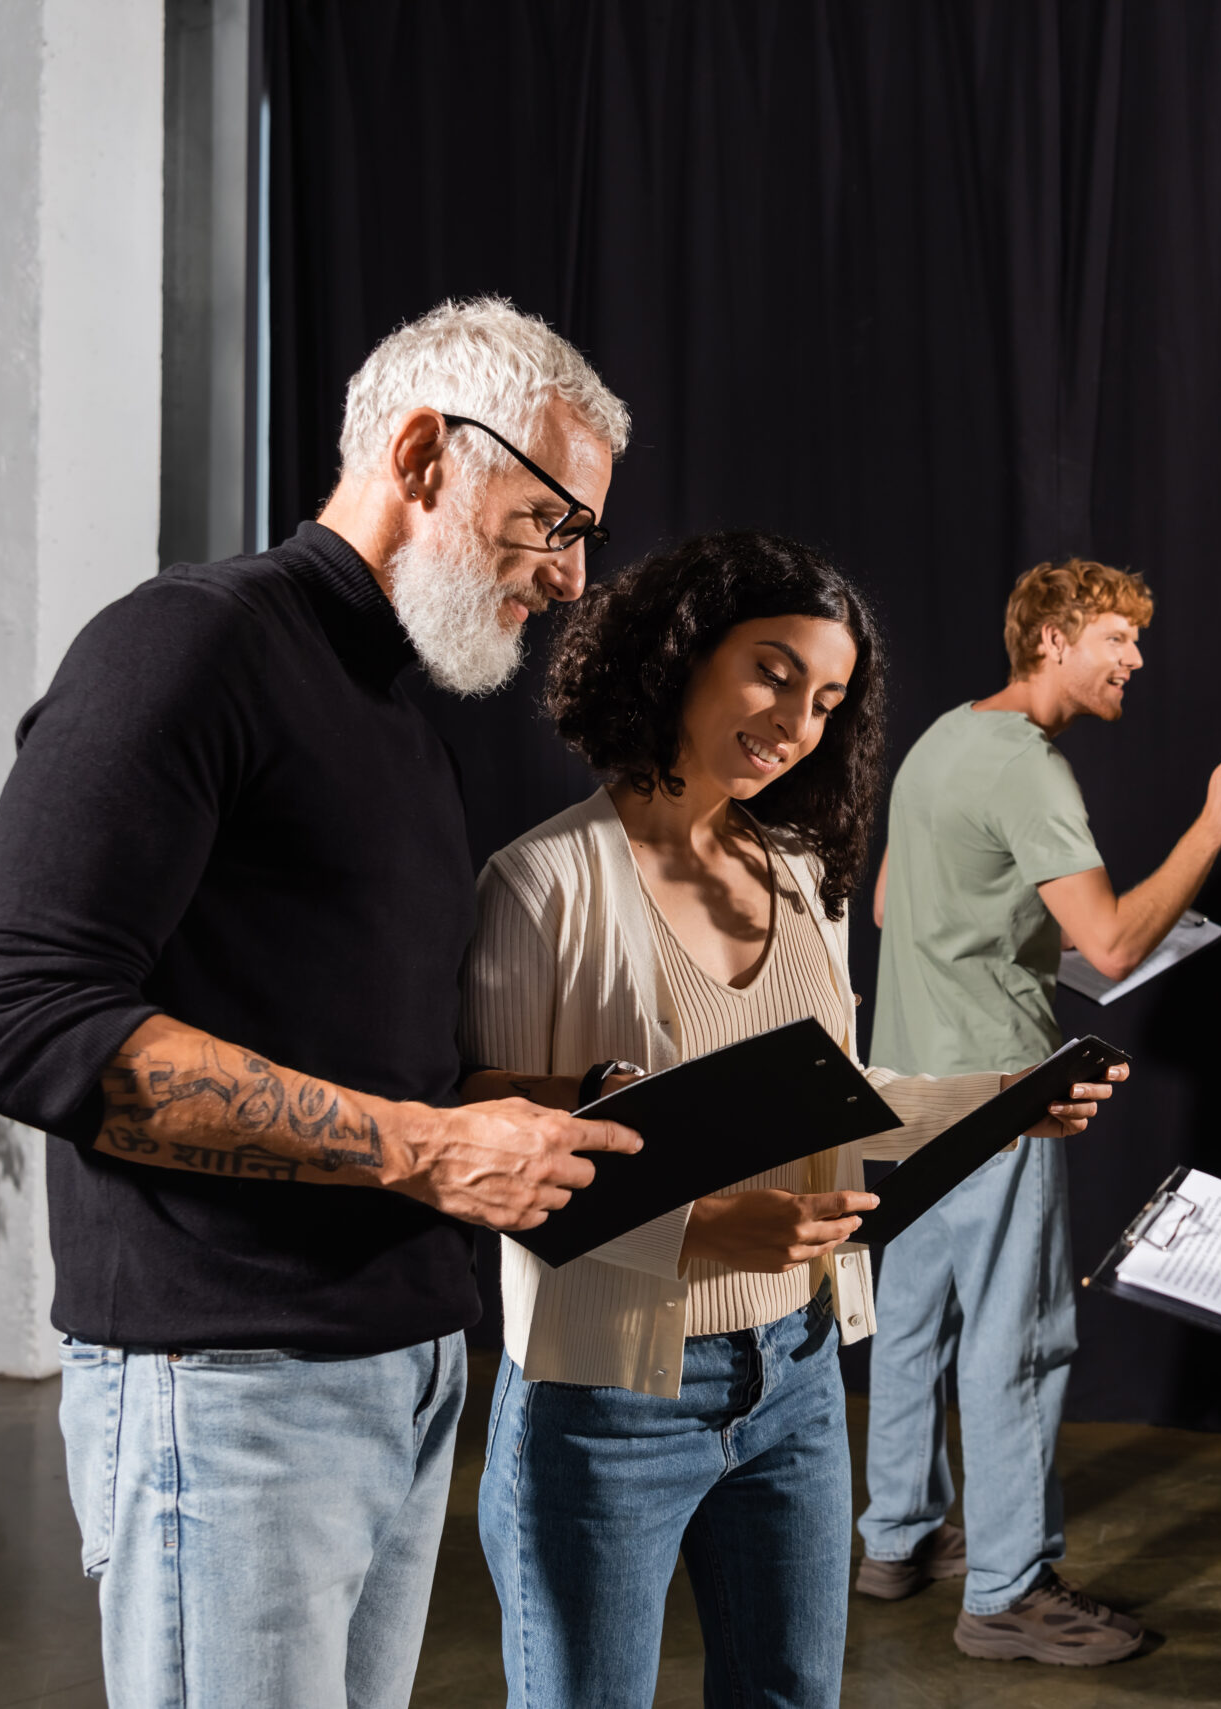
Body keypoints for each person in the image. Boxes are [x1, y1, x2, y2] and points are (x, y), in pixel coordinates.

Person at [0, 299, 643, 1708]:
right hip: (229, 1384)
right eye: (552, 518)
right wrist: (433, 1150)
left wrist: (516, 1115)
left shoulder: (394, 708)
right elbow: (29, 1024)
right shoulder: (187, 647)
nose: (571, 578)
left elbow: (352, 1049)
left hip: (397, 1363)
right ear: (426, 452)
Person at [461, 531, 1127, 1709]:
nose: (796, 719)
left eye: (827, 699)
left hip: (802, 1375)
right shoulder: (541, 886)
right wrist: (704, 1231)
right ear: (679, 653)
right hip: (606, 1398)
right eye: (772, 671)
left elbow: (835, 1111)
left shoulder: (804, 875)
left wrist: (999, 1107)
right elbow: (502, 1165)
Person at [855, 558, 1221, 1664]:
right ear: (1050, 640)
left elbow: (896, 902)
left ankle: (895, 1537)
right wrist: (1210, 828)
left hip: (899, 1084)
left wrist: (1006, 944)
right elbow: (1118, 943)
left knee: (913, 1318)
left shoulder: (942, 739)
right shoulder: (1032, 769)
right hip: (994, 1094)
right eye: (1118, 638)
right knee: (1018, 1338)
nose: (1135, 658)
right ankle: (1006, 1590)